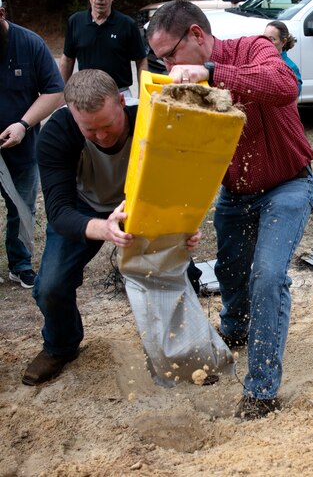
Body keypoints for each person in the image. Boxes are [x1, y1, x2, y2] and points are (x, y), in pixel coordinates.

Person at [147, 0, 313, 420]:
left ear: (197, 36)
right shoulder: (180, 86)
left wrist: (211, 74)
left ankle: (261, 391)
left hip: (288, 184)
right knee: (231, 271)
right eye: (160, 58)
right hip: (235, 193)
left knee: (268, 276)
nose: (168, 65)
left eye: (170, 55)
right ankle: (236, 331)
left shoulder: (254, 48)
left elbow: (284, 86)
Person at [22, 69, 201, 386]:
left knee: (178, 275)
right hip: (84, 208)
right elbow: (59, 211)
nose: (102, 136)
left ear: (121, 102)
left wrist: (184, 224)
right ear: (73, 116)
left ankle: (182, 350)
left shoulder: (153, 119)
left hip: (143, 203)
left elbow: (179, 181)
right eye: (89, 130)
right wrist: (104, 228)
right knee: (50, 287)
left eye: (108, 125)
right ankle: (61, 346)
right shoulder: (57, 133)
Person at [0, 0, 64, 288]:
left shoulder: (30, 44)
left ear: (1, 14)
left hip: (19, 144)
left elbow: (54, 91)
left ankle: (21, 264)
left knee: (23, 208)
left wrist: (24, 124)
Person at [59, 0, 147, 97]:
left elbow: (141, 61)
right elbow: (67, 60)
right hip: (85, 95)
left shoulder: (127, 24)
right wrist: (62, 95)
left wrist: (142, 96)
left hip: (120, 95)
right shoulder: (75, 21)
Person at [264, 20, 301, 95]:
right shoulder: (259, 60)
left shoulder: (291, 68)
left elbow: (293, 100)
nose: (266, 42)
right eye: (264, 38)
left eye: (271, 39)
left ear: (283, 42)